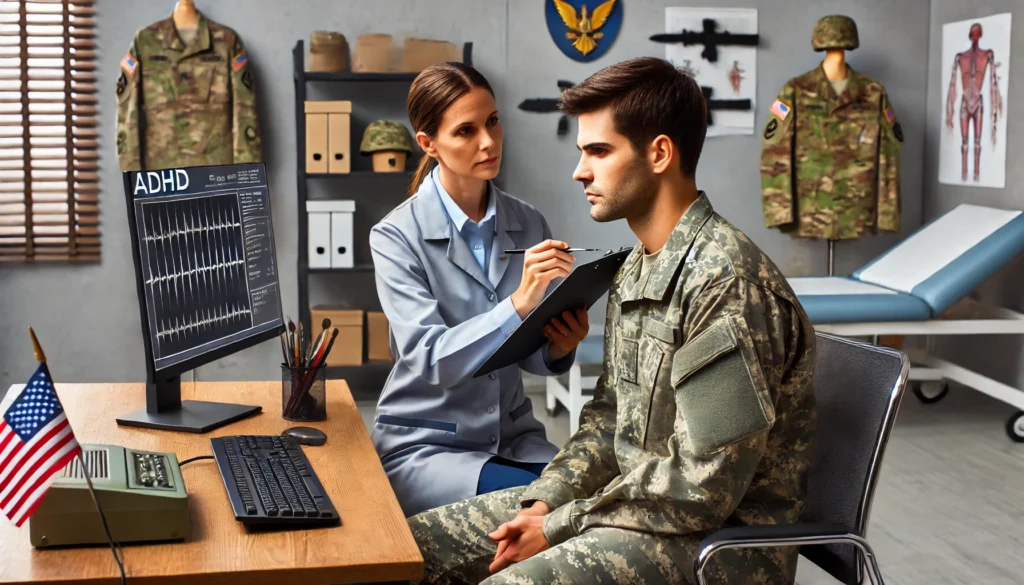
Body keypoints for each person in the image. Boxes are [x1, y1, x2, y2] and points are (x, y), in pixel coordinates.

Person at [407, 57, 818, 585]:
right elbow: (607, 421)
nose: (580, 171)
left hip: (715, 547)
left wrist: (560, 524)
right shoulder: (639, 266)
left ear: (660, 154)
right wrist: (545, 501)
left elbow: (702, 488)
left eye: (598, 151)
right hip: (630, 512)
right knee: (409, 550)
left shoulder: (726, 284)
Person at [368, 62, 590, 518]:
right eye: (465, 131)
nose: (488, 142)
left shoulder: (528, 221)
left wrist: (557, 346)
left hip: (513, 439)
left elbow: (522, 352)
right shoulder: (394, 237)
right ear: (428, 144)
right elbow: (431, 359)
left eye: (492, 121)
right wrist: (519, 302)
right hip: (429, 447)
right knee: (554, 513)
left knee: (592, 498)